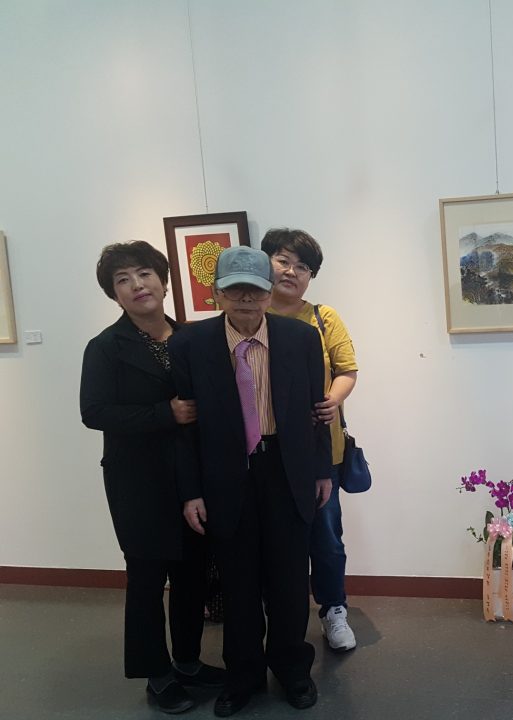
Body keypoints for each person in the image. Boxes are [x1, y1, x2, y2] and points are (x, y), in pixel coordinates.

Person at [169, 246, 333, 717]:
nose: (246, 299)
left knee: (289, 580)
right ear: (217, 293)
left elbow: (317, 411)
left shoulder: (301, 338)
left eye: (255, 290)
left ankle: (293, 670)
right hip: (225, 474)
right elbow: (184, 430)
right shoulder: (189, 344)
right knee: (237, 583)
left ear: (269, 291)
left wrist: (321, 469)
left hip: (286, 468)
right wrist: (191, 491)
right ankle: (242, 677)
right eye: (235, 289)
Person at [80, 241, 225, 714]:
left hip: (193, 479)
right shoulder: (105, 347)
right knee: (146, 579)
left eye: (144, 273)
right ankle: (157, 675)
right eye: (122, 280)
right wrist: (165, 413)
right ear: (114, 294)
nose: (136, 285)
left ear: (163, 280)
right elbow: (94, 412)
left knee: (192, 575)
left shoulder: (189, 337)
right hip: (138, 481)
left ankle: (187, 661)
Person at [261, 228, 360, 652]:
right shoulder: (249, 313)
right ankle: (280, 617)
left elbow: (347, 369)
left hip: (322, 451)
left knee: (326, 538)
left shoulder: (323, 318)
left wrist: (332, 400)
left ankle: (334, 609)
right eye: (283, 261)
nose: (291, 271)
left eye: (302, 267)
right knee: (273, 540)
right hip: (265, 451)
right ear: (265, 261)